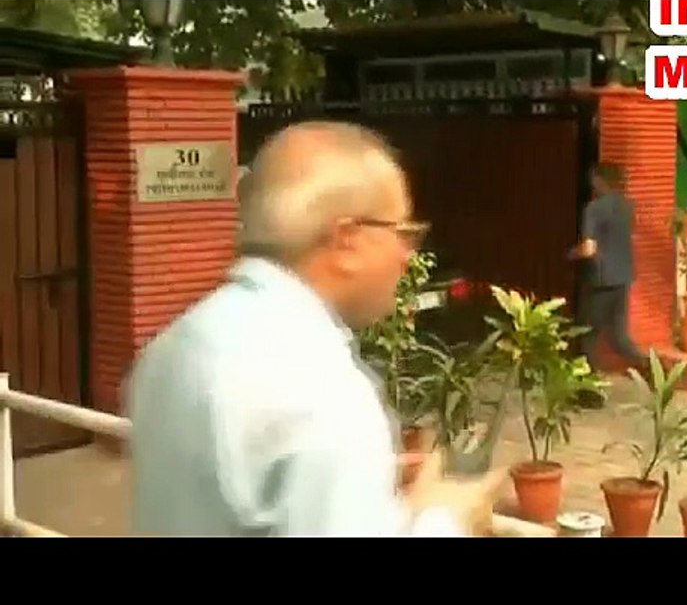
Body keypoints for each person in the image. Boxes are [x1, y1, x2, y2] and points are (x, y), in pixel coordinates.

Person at [127, 121, 505, 537]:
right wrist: (446, 519)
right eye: (402, 233)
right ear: (346, 240)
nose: (406, 256)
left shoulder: (175, 345)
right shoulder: (323, 394)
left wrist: (364, 491)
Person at [569, 162, 645, 373]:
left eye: (594, 179)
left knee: (588, 336)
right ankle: (650, 367)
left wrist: (571, 254)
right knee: (618, 335)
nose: (591, 184)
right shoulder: (627, 207)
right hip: (623, 277)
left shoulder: (594, 209)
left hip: (600, 280)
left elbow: (589, 249)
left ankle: (589, 391)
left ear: (601, 180)